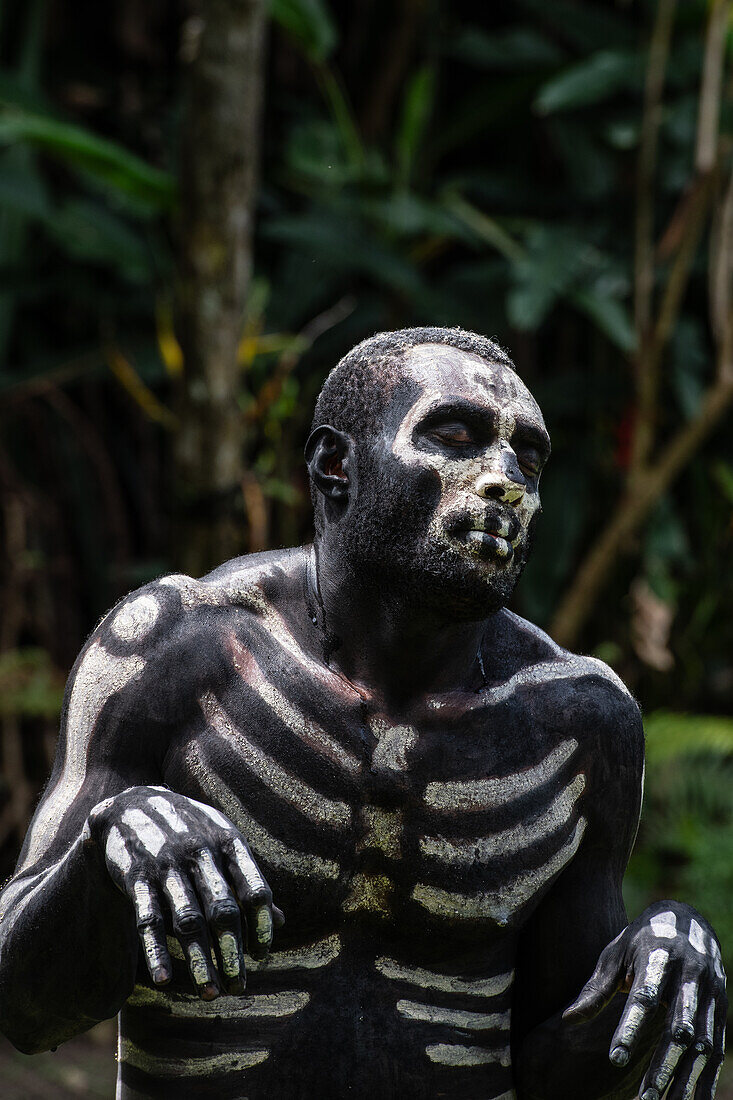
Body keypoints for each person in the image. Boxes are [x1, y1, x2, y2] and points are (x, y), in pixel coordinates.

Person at [0, 327, 726, 1100]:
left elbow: (559, 1077)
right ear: (335, 464)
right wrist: (110, 843)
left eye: (528, 459)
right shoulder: (178, 650)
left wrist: (647, 977)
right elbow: (25, 1010)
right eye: (456, 437)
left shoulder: (577, 724)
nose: (505, 482)